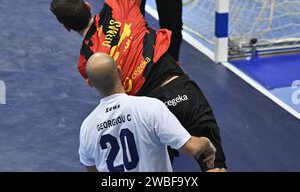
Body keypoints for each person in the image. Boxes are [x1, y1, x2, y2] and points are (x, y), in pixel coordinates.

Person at [50, 0, 227, 172]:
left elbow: (103, 83)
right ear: (87, 5)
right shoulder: (119, 1)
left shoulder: (87, 64)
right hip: (177, 89)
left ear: (66, 27)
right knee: (214, 164)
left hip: (144, 113)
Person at [79, 52, 216, 172]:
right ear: (120, 71)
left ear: (90, 83)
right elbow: (192, 148)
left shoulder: (87, 127)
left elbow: (91, 169)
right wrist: (206, 142)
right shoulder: (150, 107)